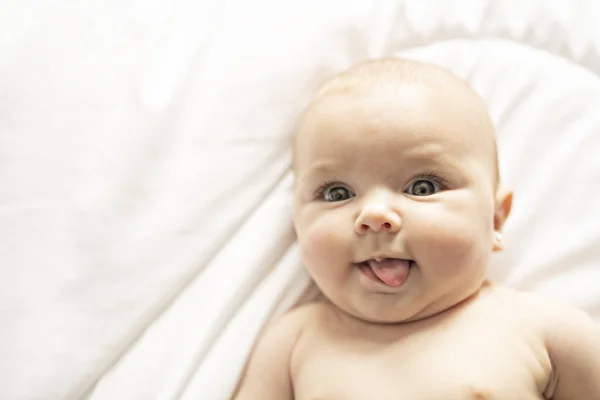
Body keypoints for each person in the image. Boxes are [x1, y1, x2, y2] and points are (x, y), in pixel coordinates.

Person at [233, 58, 600, 399]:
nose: (374, 214)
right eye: (337, 193)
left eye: (422, 188)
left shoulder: (544, 331)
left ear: (495, 220)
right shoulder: (294, 344)